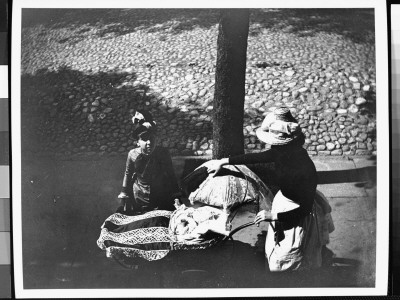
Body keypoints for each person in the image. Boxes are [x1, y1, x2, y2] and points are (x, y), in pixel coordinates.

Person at [205, 107, 325, 272]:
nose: (271, 146)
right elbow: (259, 157)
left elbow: (303, 210)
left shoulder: (305, 170)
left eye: (275, 143)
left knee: (290, 255)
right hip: (283, 203)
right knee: (276, 246)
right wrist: (224, 161)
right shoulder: (283, 151)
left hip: (295, 213)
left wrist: (273, 216)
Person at [117, 110, 179, 215]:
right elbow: (128, 174)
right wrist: (124, 193)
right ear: (138, 142)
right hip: (139, 197)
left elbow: (170, 174)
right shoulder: (132, 154)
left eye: (152, 138)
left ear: (156, 139)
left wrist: (177, 194)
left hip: (161, 196)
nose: (149, 143)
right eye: (144, 139)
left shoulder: (163, 153)